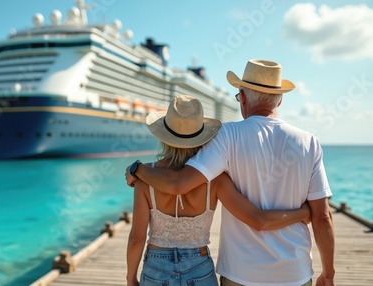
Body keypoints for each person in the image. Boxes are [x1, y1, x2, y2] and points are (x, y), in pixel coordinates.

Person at [126, 60, 335, 286]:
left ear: (242, 97)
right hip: (294, 272)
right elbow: (321, 217)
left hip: (238, 273)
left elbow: (176, 188)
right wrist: (328, 271)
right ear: (280, 99)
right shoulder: (309, 142)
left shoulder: (226, 136)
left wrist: (137, 169)